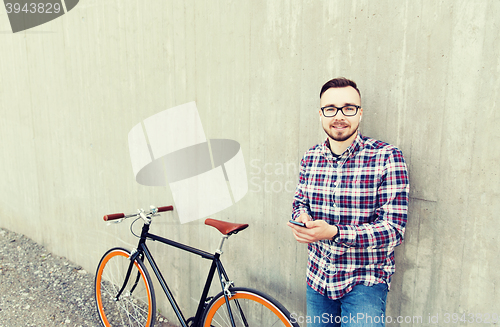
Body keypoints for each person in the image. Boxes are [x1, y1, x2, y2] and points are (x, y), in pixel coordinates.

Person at [288, 77, 409, 327]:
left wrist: (334, 232)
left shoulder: (387, 157)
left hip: (364, 280)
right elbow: (299, 202)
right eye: (330, 109)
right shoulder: (310, 158)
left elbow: (394, 230)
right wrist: (302, 218)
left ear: (360, 113)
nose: (339, 116)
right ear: (321, 114)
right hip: (318, 277)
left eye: (348, 108)